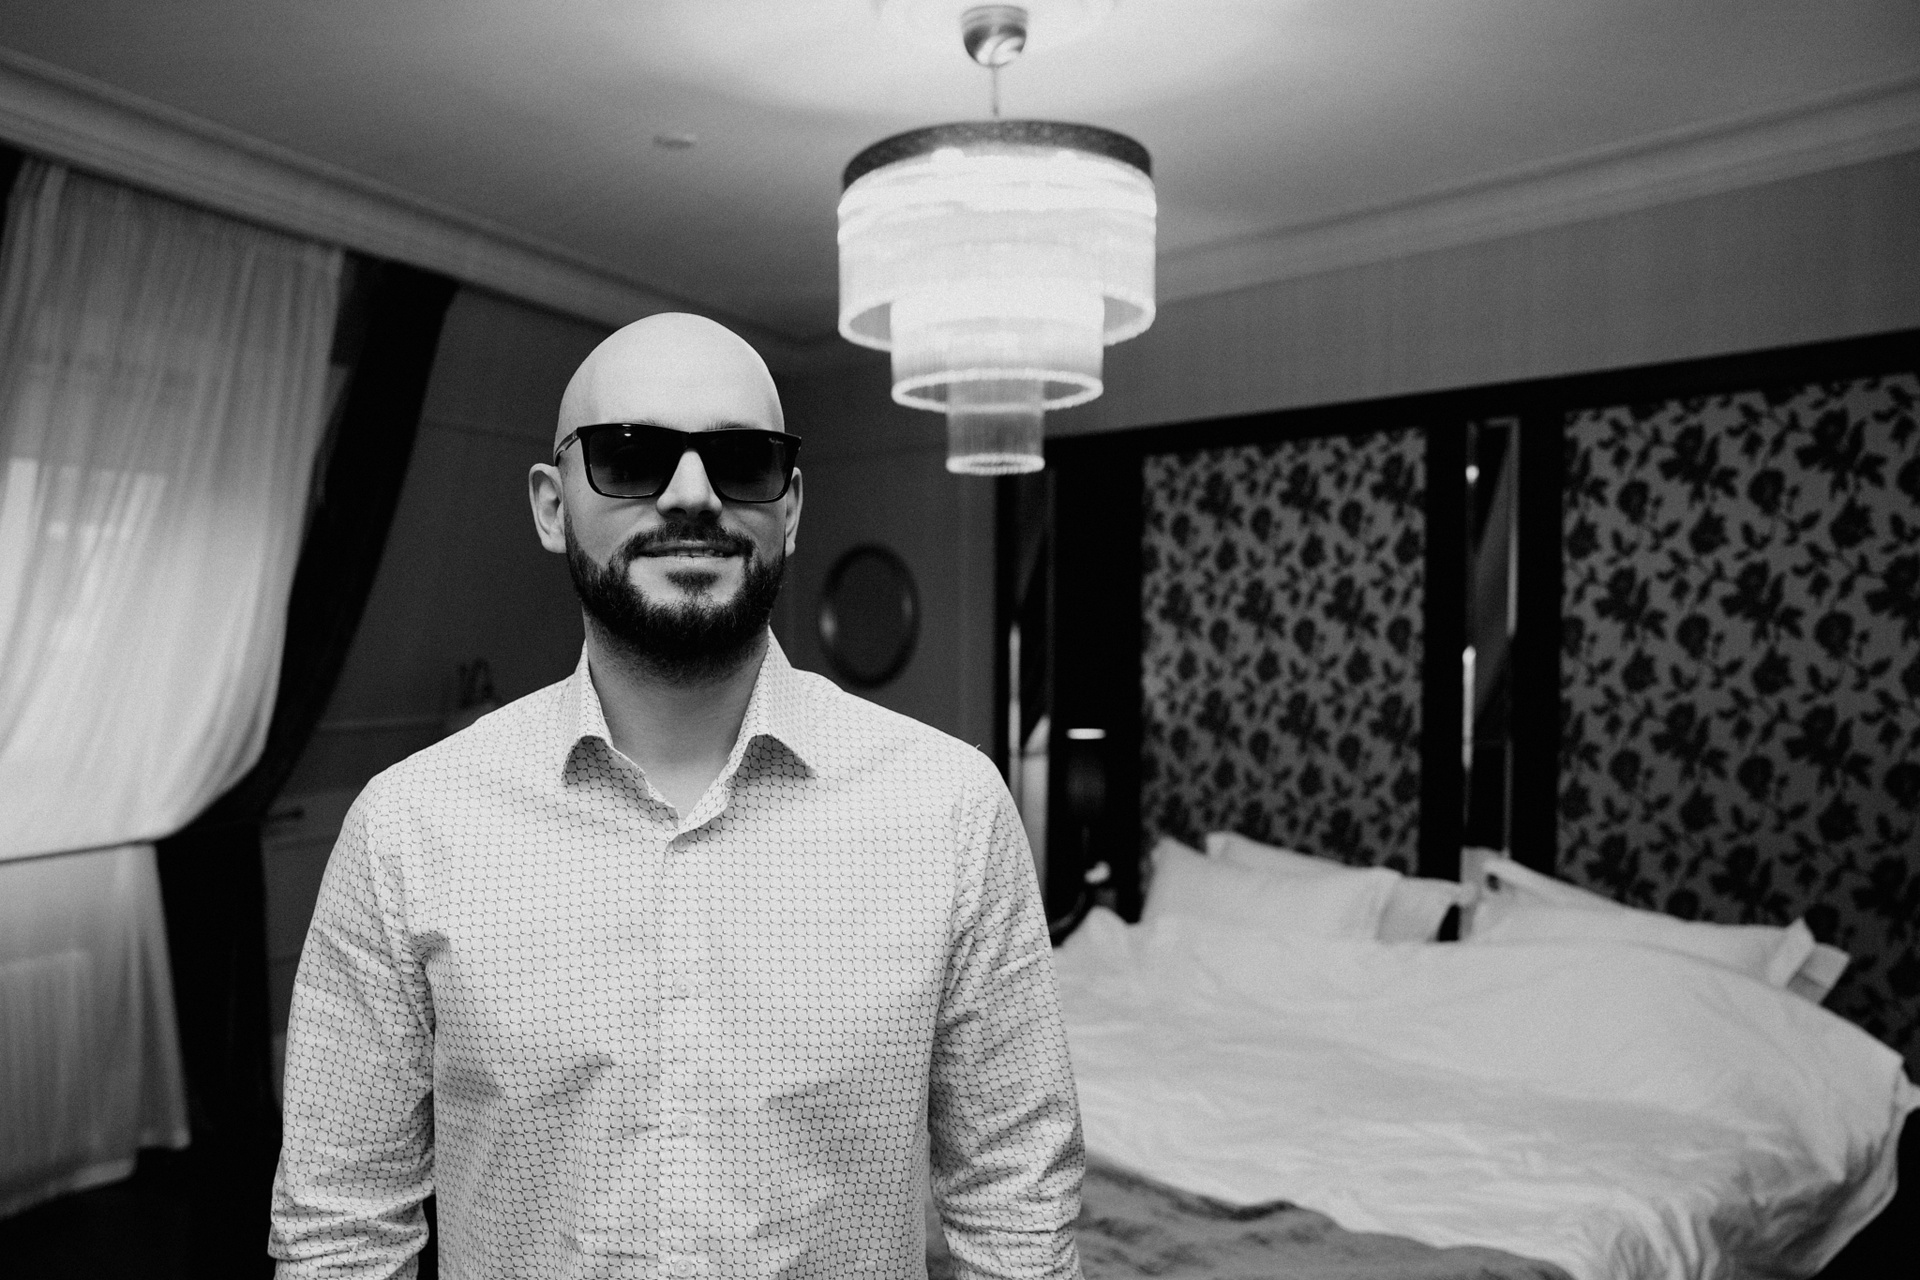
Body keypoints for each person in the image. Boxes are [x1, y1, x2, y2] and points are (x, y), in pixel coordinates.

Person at [269, 313, 1084, 1279]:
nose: (694, 494)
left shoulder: (951, 812)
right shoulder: (407, 830)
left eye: (742, 462)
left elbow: (1017, 1209)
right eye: (631, 455)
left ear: (789, 508)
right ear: (551, 506)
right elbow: (341, 1235)